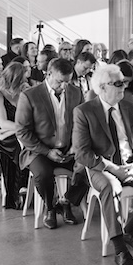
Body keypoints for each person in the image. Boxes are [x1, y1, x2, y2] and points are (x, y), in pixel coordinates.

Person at [73, 64, 133, 265]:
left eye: (125, 82)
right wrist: (113, 169)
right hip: (100, 166)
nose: (124, 87)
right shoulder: (84, 112)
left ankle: (129, 229)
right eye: (118, 83)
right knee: (111, 188)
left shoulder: (129, 107)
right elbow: (82, 154)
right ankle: (120, 249)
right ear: (102, 87)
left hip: (129, 163)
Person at [14, 57, 87, 230]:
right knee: (43, 174)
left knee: (89, 167)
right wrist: (47, 151)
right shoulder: (30, 95)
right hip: (39, 149)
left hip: (69, 147)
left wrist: (75, 146)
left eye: (67, 82)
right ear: (48, 74)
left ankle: (67, 200)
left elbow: (82, 124)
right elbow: (22, 131)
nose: (64, 87)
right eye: (60, 82)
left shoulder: (75, 92)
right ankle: (50, 207)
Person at [0, 62, 30, 209]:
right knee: (21, 147)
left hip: (18, 131)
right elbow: (3, 122)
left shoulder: (24, 92)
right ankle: (19, 188)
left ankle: (29, 186)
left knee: (30, 143)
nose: (25, 82)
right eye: (22, 80)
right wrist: (24, 129)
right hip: (4, 135)